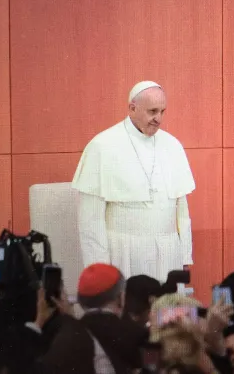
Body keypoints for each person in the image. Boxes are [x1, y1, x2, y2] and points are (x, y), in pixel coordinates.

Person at [72, 81, 196, 282]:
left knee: (168, 311)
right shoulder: (102, 146)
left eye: (163, 111)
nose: (159, 119)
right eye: (152, 111)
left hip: (168, 254)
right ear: (132, 108)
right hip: (123, 255)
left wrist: (184, 256)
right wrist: (99, 270)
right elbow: (90, 220)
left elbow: (182, 210)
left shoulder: (172, 145)